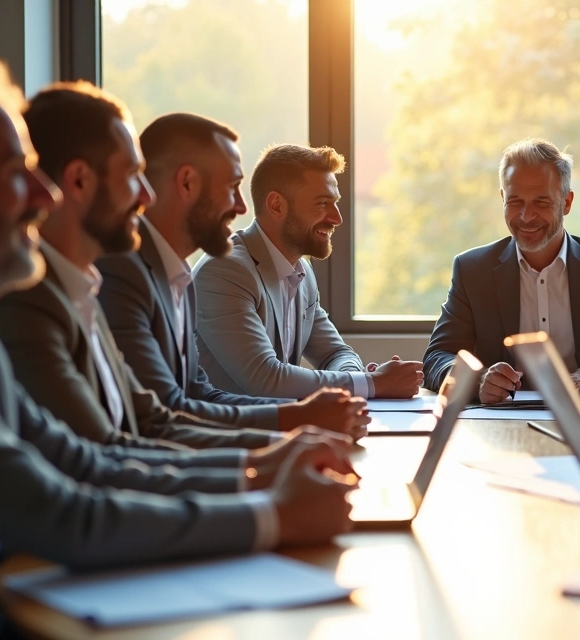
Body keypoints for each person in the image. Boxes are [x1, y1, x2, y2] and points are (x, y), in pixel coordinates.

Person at [0, 47, 355, 639]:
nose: (44, 196)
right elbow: (65, 511)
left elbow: (86, 455)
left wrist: (253, 474)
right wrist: (270, 512)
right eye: (17, 172)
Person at [0, 85, 367, 448]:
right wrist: (280, 445)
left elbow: (178, 402)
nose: (145, 195)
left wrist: (298, 422)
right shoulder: (117, 277)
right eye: (132, 175)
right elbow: (133, 436)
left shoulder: (119, 280)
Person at [88, 110, 369, 437]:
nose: (241, 206)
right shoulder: (127, 275)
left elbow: (199, 394)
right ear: (187, 183)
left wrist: (302, 417)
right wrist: (292, 427)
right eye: (233, 187)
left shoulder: (176, 277)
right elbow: (163, 417)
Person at [423, 138, 580, 404]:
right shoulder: (472, 271)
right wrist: (477, 380)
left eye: (541, 202)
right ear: (502, 198)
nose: (526, 216)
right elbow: (437, 358)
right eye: (515, 201)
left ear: (567, 202)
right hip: (500, 422)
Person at [193, 143, 424, 400]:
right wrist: (372, 384)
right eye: (322, 203)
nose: (337, 218)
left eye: (335, 203)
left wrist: (361, 379)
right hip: (228, 436)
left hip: (283, 431)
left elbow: (335, 354)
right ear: (277, 206)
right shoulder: (225, 271)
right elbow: (265, 379)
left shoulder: (301, 271)